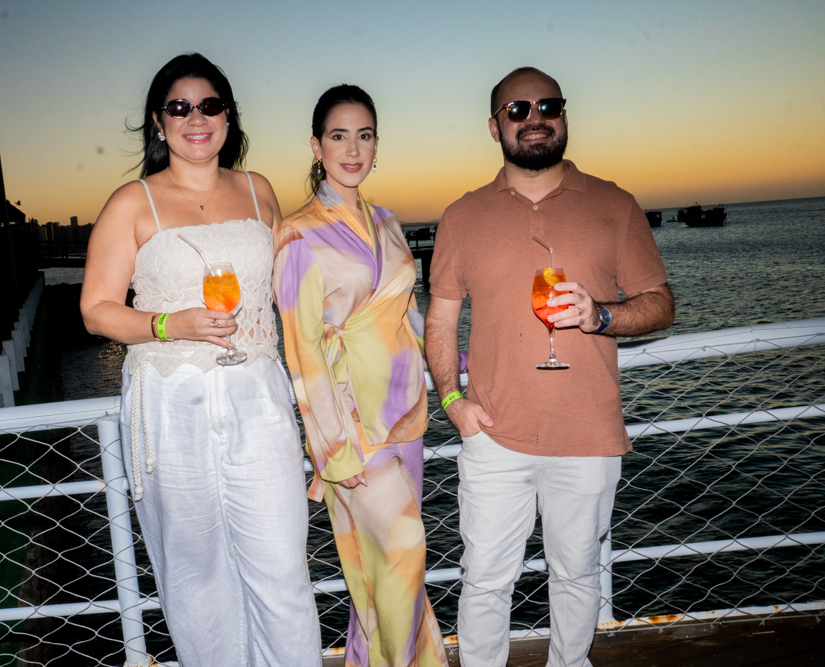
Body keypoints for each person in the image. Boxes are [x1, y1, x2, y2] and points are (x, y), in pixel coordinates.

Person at [424, 67, 675, 667]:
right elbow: (438, 321)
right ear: (495, 127)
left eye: (547, 105)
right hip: (493, 435)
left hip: (588, 435)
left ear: (564, 115)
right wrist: (453, 403)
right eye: (516, 110)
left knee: (577, 574)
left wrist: (601, 317)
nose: (534, 118)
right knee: (484, 579)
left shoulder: (615, 205)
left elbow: (661, 303)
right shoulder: (462, 216)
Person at [80, 53, 320, 667]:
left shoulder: (258, 189)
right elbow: (97, 310)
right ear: (158, 122)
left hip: (259, 395)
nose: (195, 118)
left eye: (209, 105)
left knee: (281, 567)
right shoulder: (132, 202)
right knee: (195, 577)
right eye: (179, 107)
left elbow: (290, 291)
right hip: (171, 402)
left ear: (228, 115)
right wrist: (168, 324)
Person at [273, 85, 448, 667]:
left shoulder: (388, 221)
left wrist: (456, 362)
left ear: (377, 145)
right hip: (352, 425)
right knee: (405, 555)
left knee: (379, 576)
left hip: (406, 414)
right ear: (318, 146)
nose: (353, 149)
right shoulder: (298, 233)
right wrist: (334, 450)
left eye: (365, 135)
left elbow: (408, 311)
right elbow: (302, 352)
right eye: (339, 135)